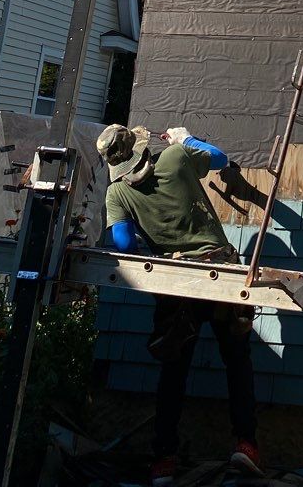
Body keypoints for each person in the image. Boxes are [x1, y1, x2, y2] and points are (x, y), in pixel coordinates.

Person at [97, 122, 262, 486]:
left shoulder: (117, 194)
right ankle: (246, 445)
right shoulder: (175, 157)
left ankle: (164, 462)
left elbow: (123, 245)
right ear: (140, 146)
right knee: (237, 361)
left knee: (174, 371)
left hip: (175, 285)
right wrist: (185, 137)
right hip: (221, 274)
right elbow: (220, 159)